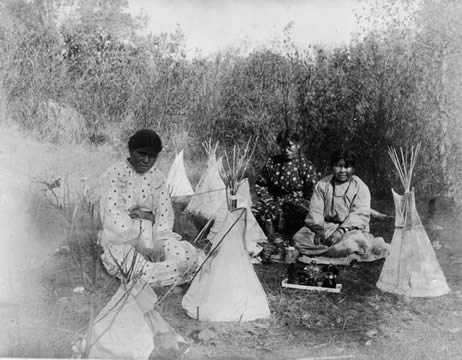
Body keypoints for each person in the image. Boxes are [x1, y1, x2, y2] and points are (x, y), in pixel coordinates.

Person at [98, 129, 204, 286]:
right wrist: (139, 246)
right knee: (137, 267)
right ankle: (157, 272)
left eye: (152, 156)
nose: (146, 160)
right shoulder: (115, 174)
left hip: (152, 232)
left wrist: (158, 242)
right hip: (123, 237)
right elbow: (113, 212)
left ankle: (165, 268)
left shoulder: (157, 177)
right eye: (141, 154)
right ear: (131, 150)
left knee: (185, 256)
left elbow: (164, 211)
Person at [292, 149, 389, 260]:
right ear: (332, 166)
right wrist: (318, 229)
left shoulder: (360, 187)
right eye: (338, 166)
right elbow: (316, 210)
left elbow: (359, 214)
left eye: (347, 167)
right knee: (298, 238)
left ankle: (321, 251)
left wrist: (340, 231)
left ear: (353, 169)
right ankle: (334, 251)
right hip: (324, 226)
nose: (342, 170)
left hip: (349, 229)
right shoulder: (322, 185)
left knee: (353, 242)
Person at [252, 128, 318, 235]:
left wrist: (305, 203)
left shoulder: (304, 165)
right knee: (255, 212)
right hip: (274, 201)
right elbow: (261, 184)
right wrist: (268, 200)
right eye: (283, 146)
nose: (286, 150)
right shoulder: (272, 162)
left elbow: (312, 190)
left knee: (296, 217)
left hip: (297, 203)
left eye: (290, 146)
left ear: (298, 145)